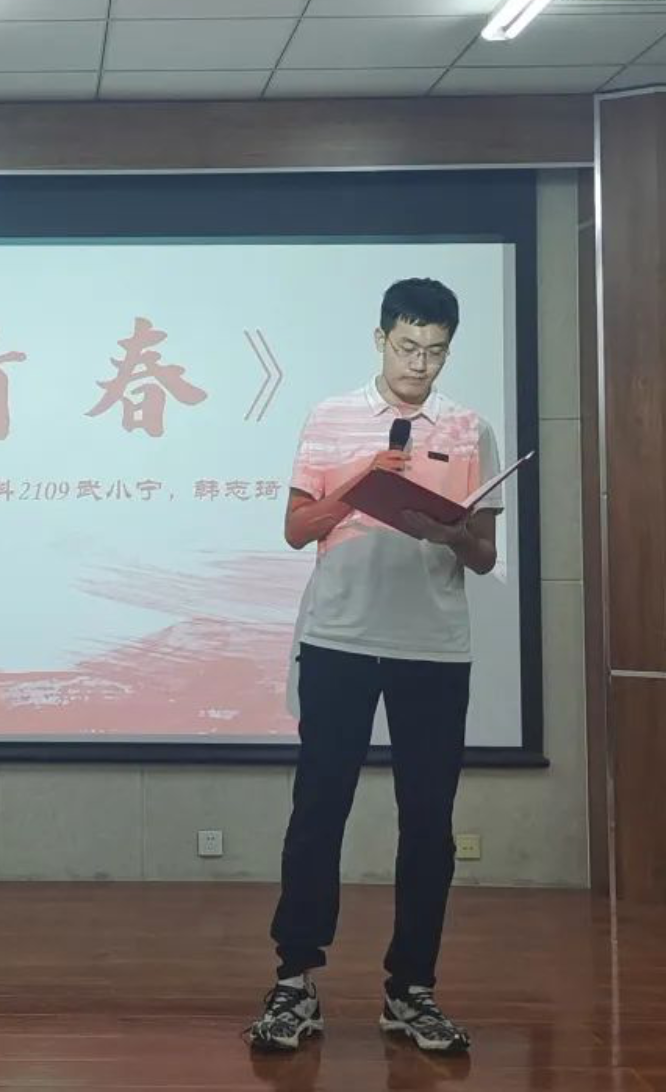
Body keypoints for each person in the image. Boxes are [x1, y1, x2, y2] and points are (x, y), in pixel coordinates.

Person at [247, 279, 502, 1057]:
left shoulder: (470, 428)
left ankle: (411, 989)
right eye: (407, 347)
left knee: (428, 823)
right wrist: (362, 483)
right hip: (340, 640)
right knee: (318, 810)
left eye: (435, 352)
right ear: (381, 338)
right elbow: (297, 528)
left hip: (434, 648)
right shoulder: (329, 417)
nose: (419, 364)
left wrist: (448, 534)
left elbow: (484, 555)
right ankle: (295, 980)